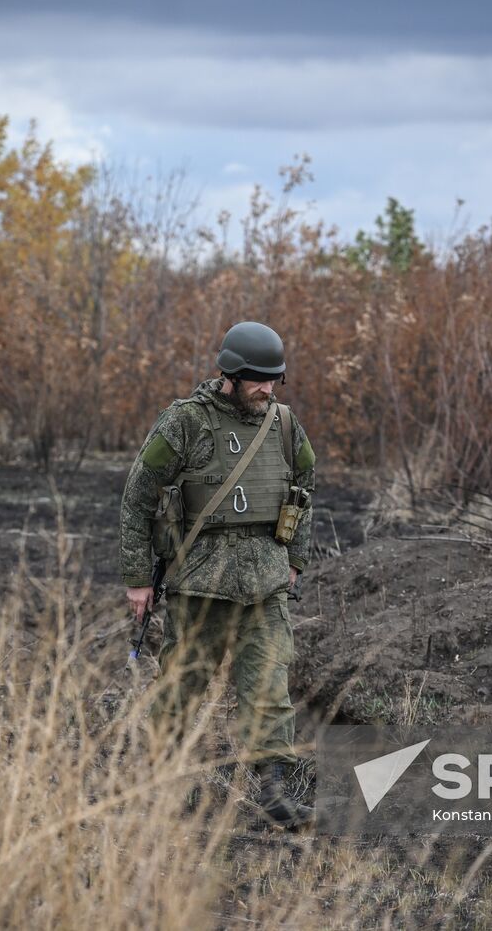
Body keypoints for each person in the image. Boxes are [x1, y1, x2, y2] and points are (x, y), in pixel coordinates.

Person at [119, 320, 316, 828]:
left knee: (269, 686)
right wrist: (139, 577)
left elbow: (305, 489)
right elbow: (137, 498)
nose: (267, 388)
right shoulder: (184, 423)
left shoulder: (286, 425)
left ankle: (273, 788)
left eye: (274, 379)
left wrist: (295, 559)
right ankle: (158, 779)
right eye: (257, 378)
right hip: (200, 580)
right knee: (183, 684)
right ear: (230, 373)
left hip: (266, 583)